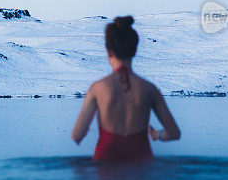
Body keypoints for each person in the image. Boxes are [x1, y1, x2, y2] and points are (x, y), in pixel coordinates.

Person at [71, 16, 180, 162]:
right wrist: (156, 135)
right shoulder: (149, 89)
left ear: (108, 51)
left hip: (105, 163)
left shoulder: (98, 88)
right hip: (142, 163)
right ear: (134, 50)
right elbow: (174, 133)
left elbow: (77, 135)